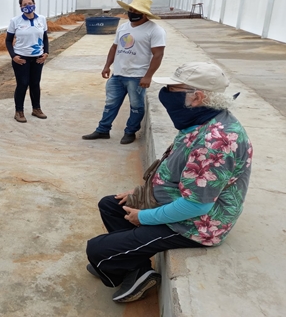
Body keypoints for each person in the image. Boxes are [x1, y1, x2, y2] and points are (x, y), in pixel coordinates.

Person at [85, 62, 252, 303]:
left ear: (197, 96)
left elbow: (196, 206)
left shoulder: (215, 141)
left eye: (173, 89)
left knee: (98, 251)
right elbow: (180, 168)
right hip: (176, 199)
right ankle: (138, 269)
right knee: (109, 205)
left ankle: (121, 265)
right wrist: (141, 192)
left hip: (197, 224)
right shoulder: (202, 118)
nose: (166, 93)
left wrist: (143, 217)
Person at [82, 0, 166, 144]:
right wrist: (107, 66)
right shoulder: (123, 27)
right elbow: (115, 47)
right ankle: (103, 130)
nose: (132, 12)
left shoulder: (155, 30)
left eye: (136, 10)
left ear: (144, 13)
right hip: (118, 74)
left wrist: (148, 76)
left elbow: (158, 54)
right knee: (110, 104)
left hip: (137, 76)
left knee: (136, 106)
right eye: (130, 9)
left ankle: (130, 132)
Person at [5, 0, 49, 123]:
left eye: (30, 3)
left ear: (34, 3)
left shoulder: (41, 19)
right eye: (24, 4)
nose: (28, 6)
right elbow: (8, 40)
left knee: (35, 84)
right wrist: (14, 56)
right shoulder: (15, 21)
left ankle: (36, 109)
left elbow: (45, 38)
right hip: (21, 58)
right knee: (22, 84)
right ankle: (19, 112)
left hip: (38, 58)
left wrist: (46, 52)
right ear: (20, 7)